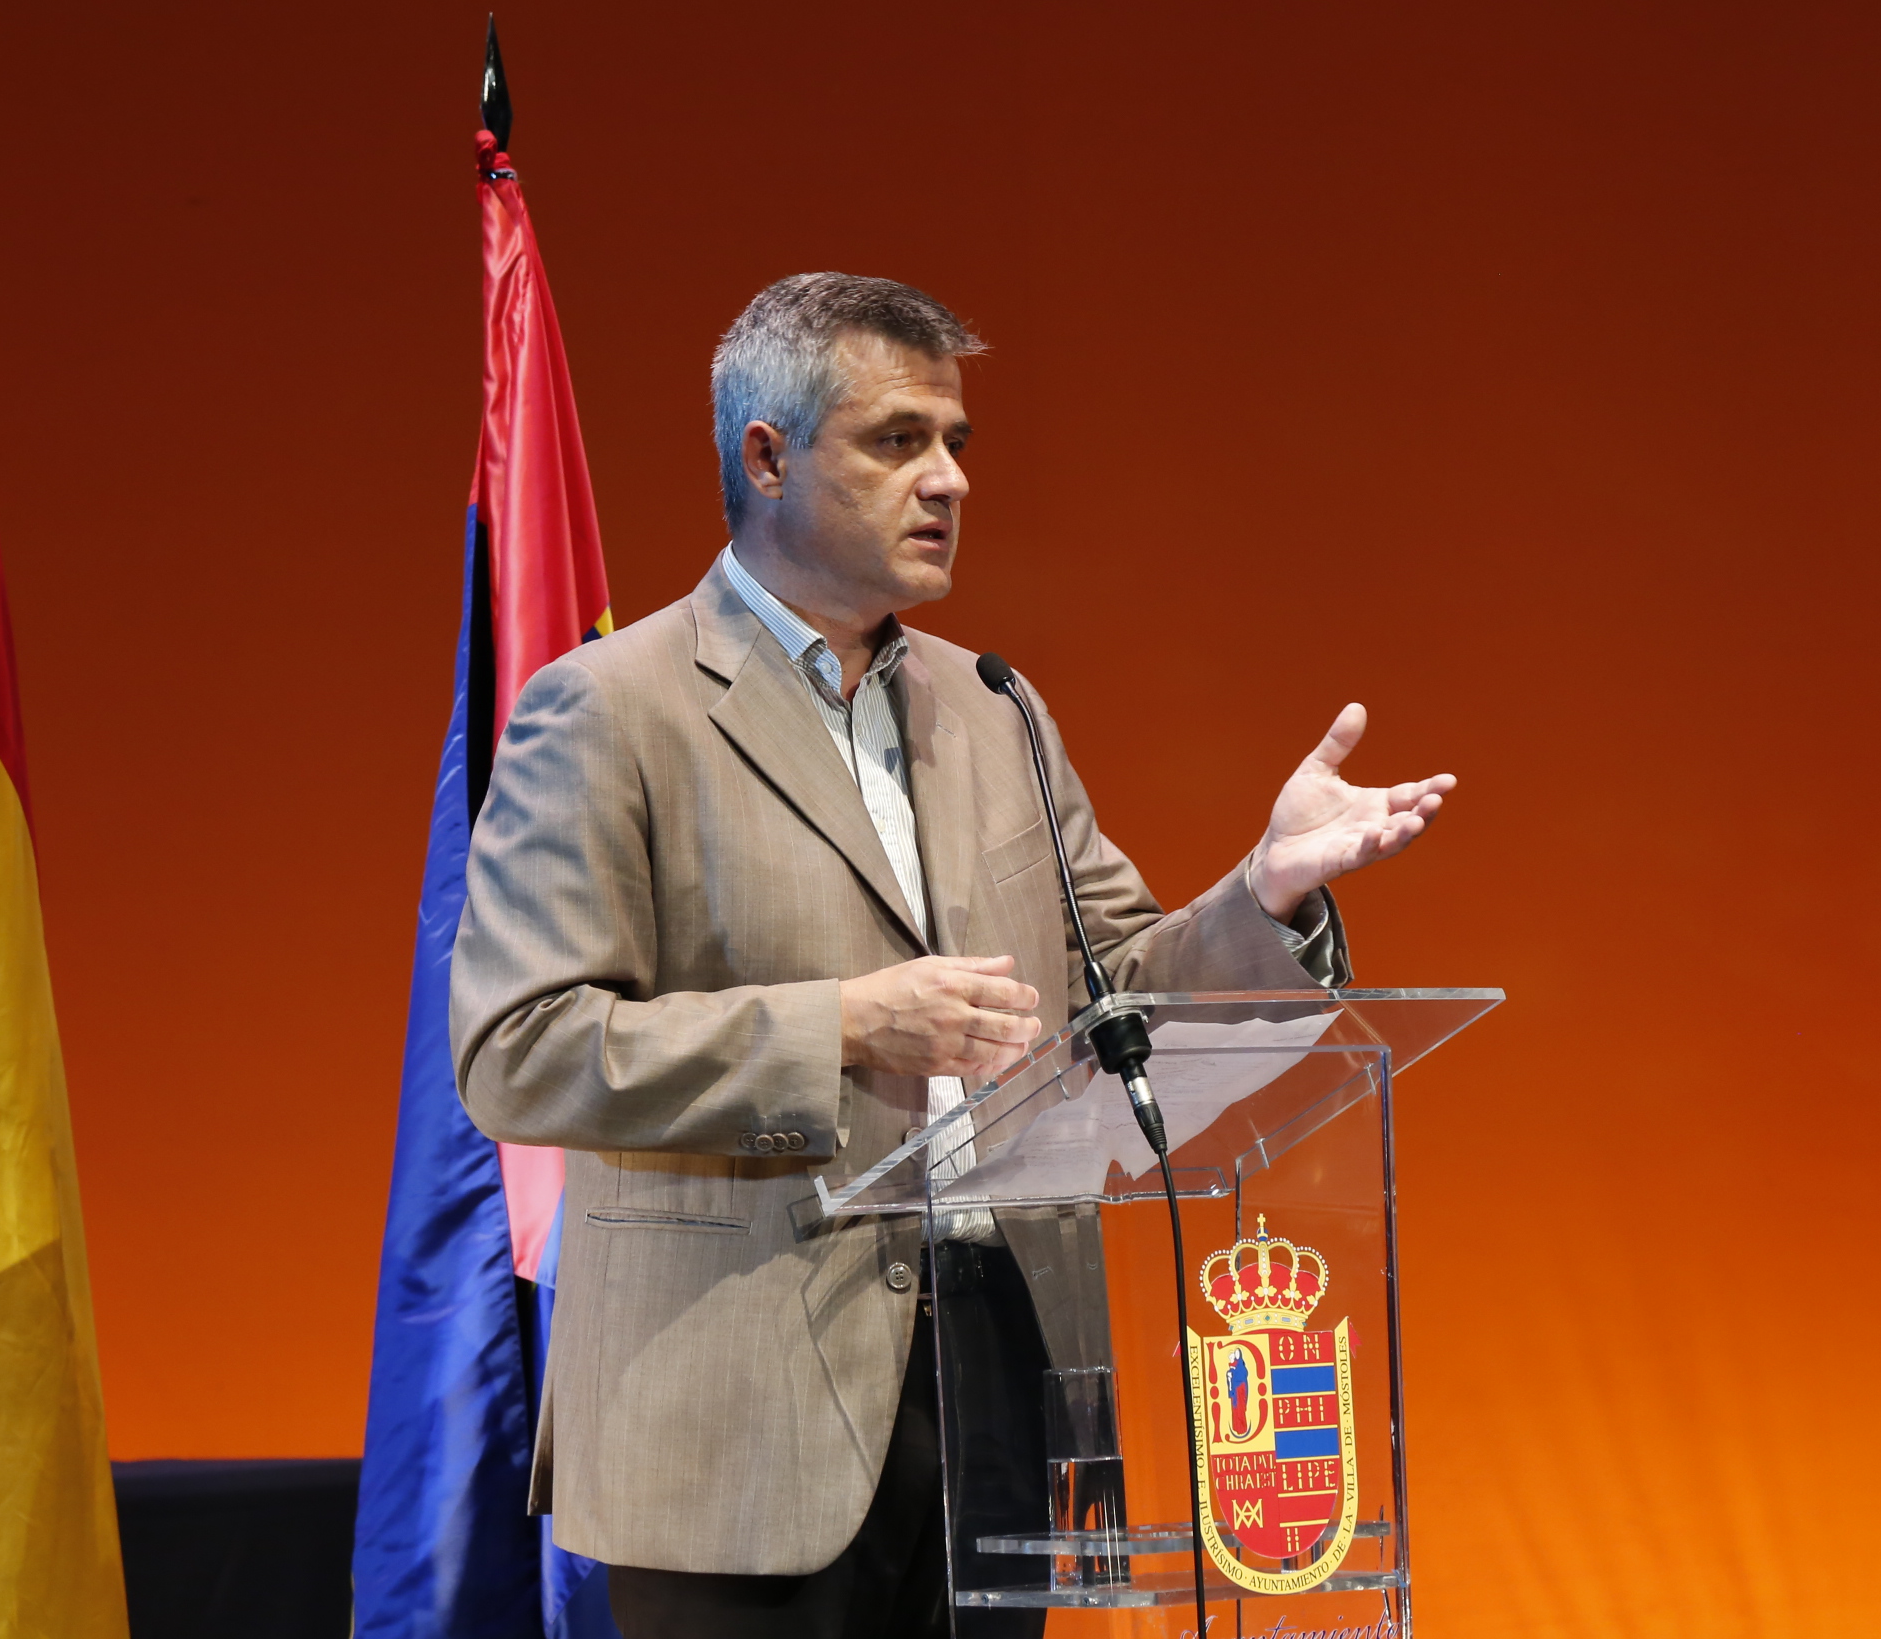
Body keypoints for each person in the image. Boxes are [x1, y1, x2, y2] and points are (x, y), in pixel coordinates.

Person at [449, 273, 1455, 1639]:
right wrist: (841, 1026)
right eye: (897, 440)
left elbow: (1115, 999)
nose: (949, 480)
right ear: (767, 458)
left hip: (994, 1370)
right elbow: (521, 1052)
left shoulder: (994, 708)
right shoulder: (609, 711)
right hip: (736, 1409)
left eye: (956, 442)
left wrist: (1266, 891)